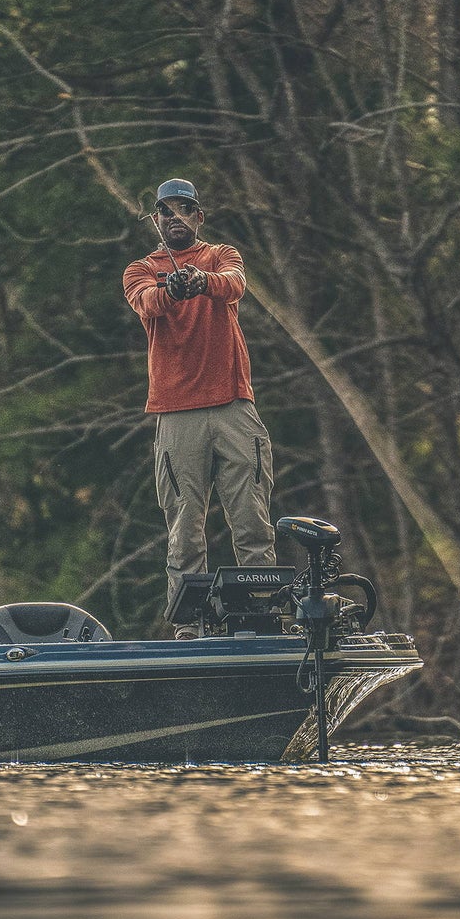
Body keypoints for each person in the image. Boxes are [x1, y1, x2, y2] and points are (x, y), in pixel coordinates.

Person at [122, 178, 277, 636]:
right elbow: (146, 302)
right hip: (176, 413)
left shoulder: (222, 255)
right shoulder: (139, 269)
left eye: (183, 209)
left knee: (251, 517)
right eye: (165, 211)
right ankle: (189, 627)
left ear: (198, 217)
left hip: (233, 406)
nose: (175, 217)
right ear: (156, 220)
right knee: (184, 525)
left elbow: (235, 285)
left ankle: (262, 614)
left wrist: (201, 282)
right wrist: (172, 289)